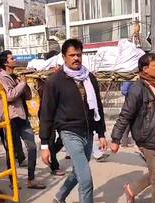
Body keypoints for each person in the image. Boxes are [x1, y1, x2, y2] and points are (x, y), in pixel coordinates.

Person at [39, 39, 107, 203]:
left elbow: (97, 106)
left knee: (78, 171)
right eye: (72, 55)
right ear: (64, 57)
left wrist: (101, 133)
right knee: (86, 179)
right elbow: (46, 113)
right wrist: (44, 145)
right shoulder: (54, 81)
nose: (76, 58)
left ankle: (59, 196)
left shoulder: (89, 77)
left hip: (88, 132)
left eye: (79, 54)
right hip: (69, 132)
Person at [111, 53, 155, 203]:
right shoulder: (137, 89)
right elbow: (125, 114)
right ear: (145, 69)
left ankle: (132, 189)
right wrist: (116, 138)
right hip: (148, 137)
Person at [0, 50, 46, 189]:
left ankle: (31, 179)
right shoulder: (1, 77)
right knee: (11, 152)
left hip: (22, 117)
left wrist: (25, 82)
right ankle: (13, 182)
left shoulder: (15, 76)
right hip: (10, 118)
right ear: (6, 62)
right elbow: (10, 96)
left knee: (31, 147)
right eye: (12, 58)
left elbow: (28, 96)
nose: (15, 60)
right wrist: (22, 83)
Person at [120, 81, 134, 147]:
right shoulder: (129, 80)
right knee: (127, 123)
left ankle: (125, 141)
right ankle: (124, 141)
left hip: (134, 103)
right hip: (130, 103)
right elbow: (124, 91)